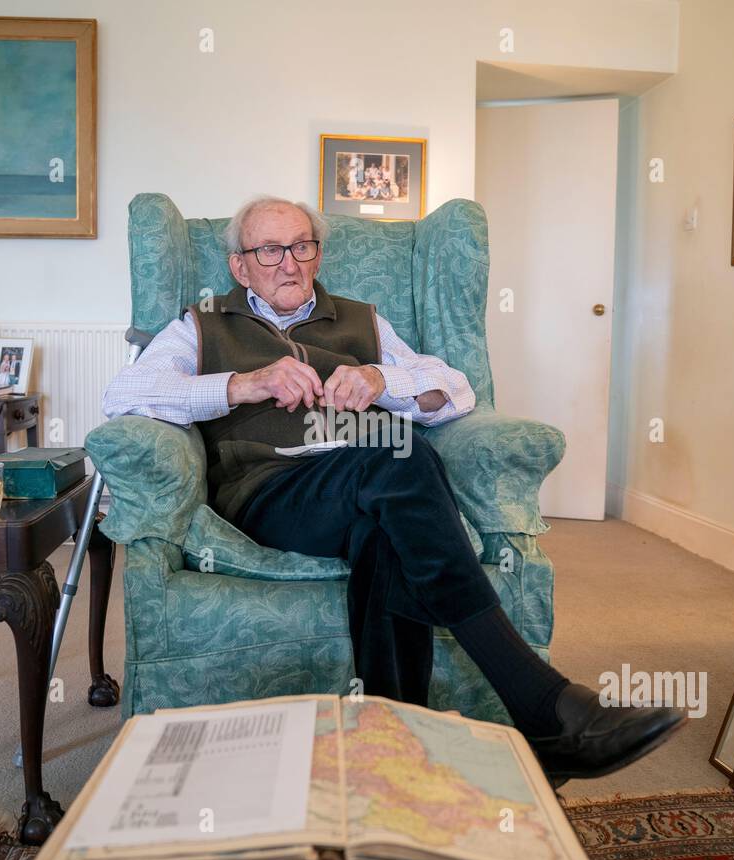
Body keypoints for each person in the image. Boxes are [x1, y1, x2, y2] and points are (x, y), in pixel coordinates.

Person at [101, 195, 683, 781]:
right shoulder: (200, 324)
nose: (287, 263)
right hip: (271, 489)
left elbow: (453, 393)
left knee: (387, 532)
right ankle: (538, 700)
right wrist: (243, 384)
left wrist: (383, 381)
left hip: (376, 486)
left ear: (318, 255)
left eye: (301, 247)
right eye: (269, 250)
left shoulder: (362, 320)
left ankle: (390, 743)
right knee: (398, 457)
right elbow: (122, 397)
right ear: (239, 266)